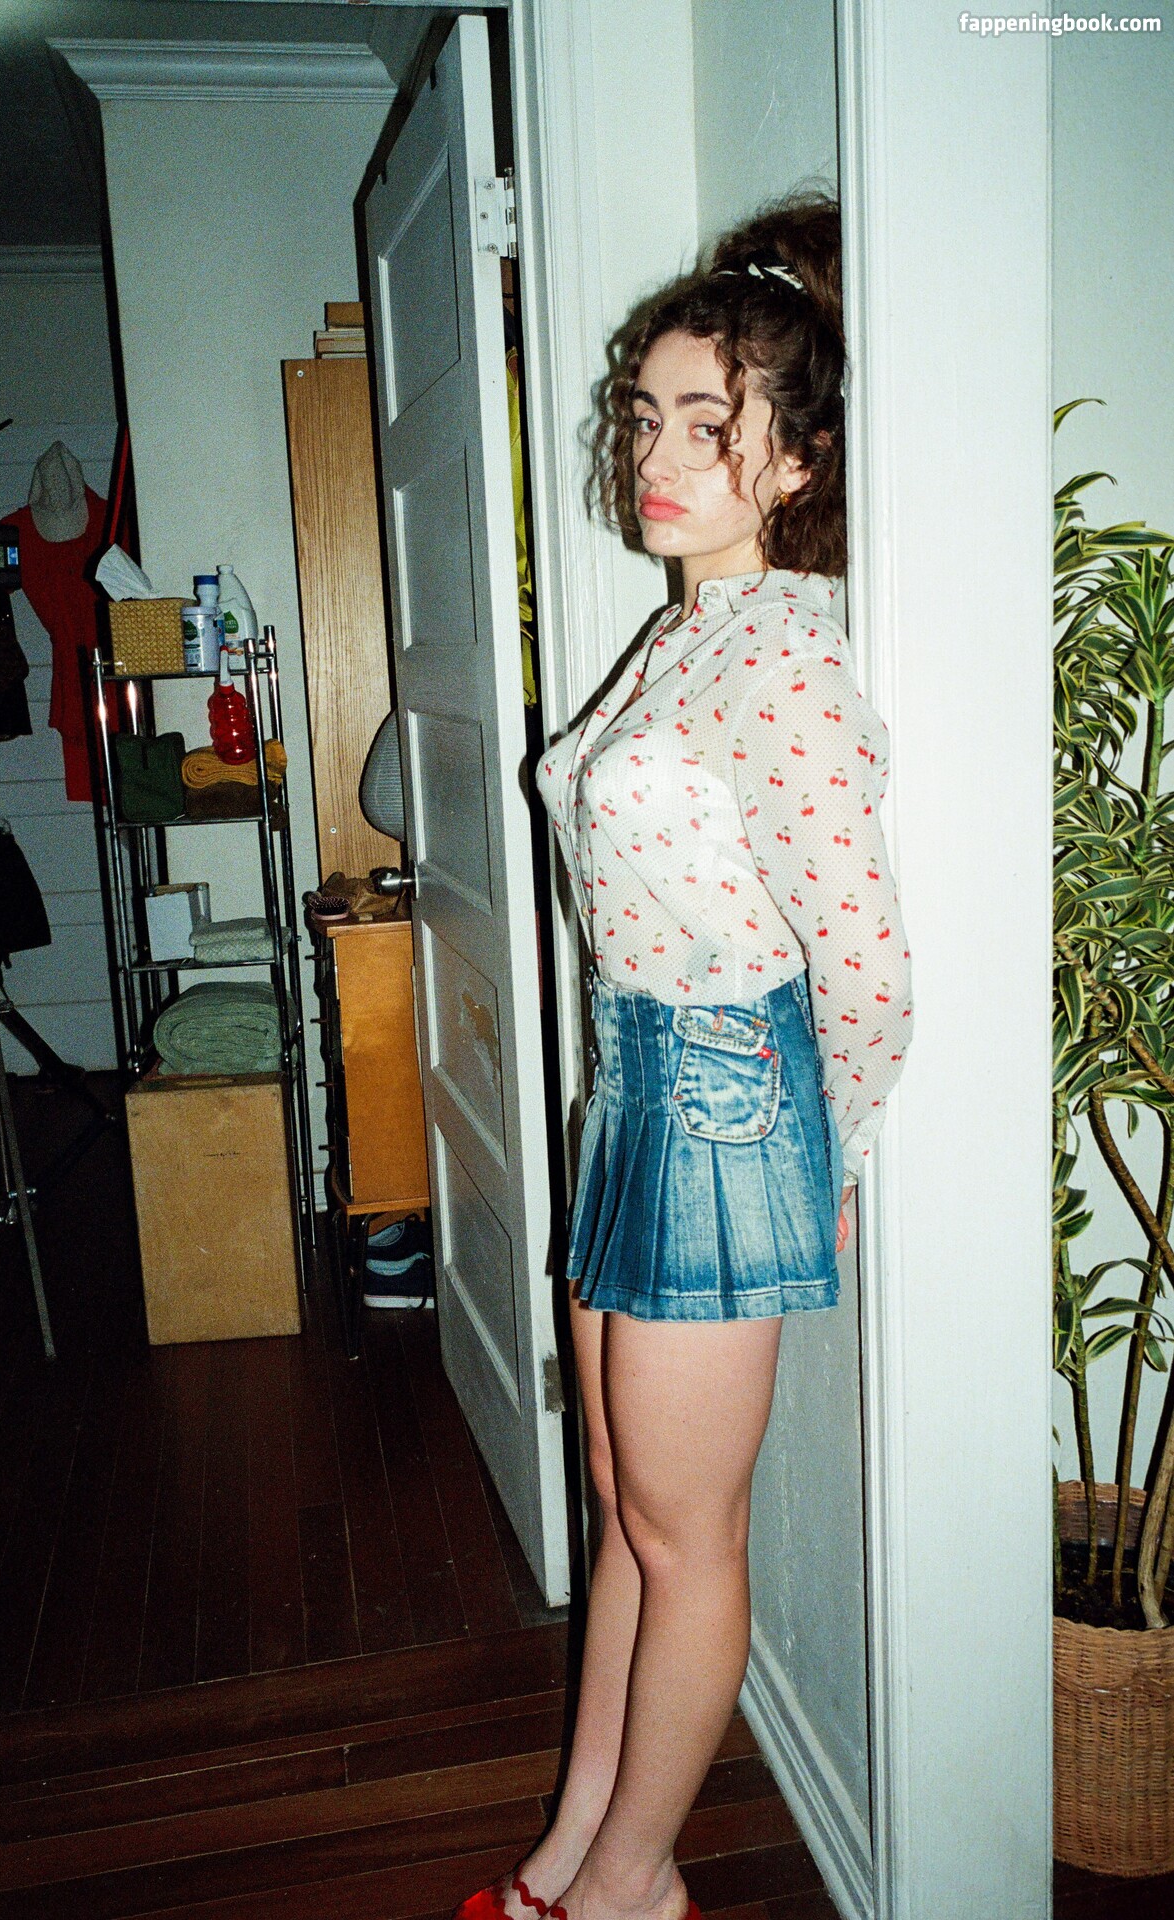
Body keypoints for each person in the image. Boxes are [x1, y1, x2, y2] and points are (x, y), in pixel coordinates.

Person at [456, 193, 913, 1920]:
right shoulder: (689, 627)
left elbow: (864, 972)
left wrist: (818, 1157)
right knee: (620, 1504)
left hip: (722, 1109)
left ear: (795, 458)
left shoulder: (783, 652)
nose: (658, 458)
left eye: (708, 426)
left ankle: (633, 1886)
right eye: (644, 416)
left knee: (683, 1535)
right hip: (632, 1095)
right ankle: (571, 1848)